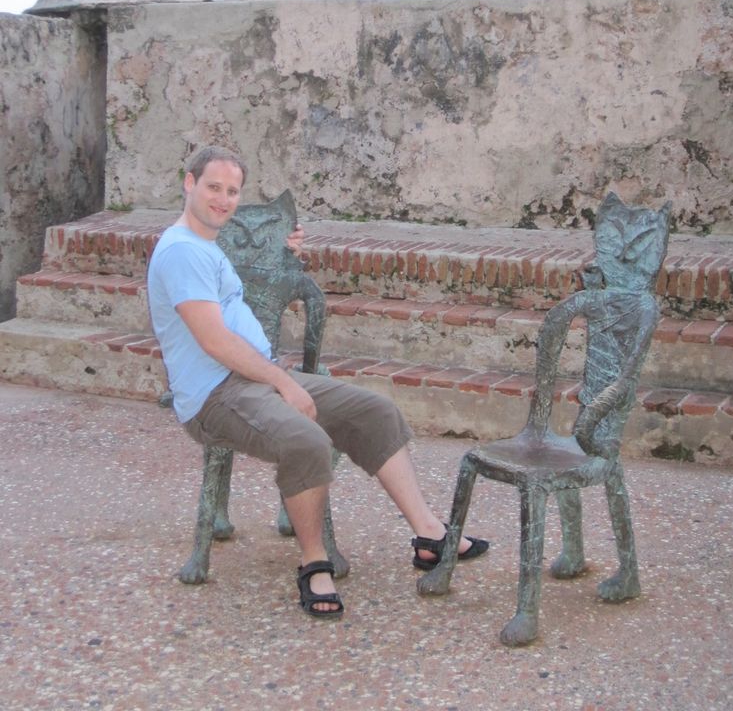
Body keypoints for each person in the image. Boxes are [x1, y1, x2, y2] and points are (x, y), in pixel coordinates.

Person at [147, 145, 488, 618]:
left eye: (232, 191)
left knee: (375, 412)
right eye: (213, 188)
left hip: (254, 378)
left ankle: (430, 534)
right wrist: (285, 383)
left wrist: (284, 251)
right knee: (306, 441)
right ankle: (314, 564)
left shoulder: (204, 244)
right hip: (215, 396)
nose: (223, 200)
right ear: (189, 183)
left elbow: (240, 279)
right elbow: (214, 341)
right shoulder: (181, 252)